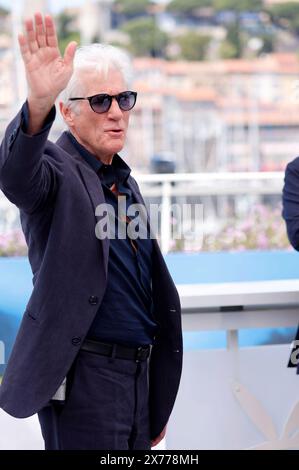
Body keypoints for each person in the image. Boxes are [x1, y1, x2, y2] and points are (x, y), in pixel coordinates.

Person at [0, 12, 183, 450]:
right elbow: (15, 176)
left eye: (125, 99)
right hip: (85, 381)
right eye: (101, 102)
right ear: (68, 111)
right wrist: (36, 105)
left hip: (137, 380)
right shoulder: (55, 172)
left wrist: (152, 393)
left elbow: (142, 288)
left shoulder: (124, 182)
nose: (117, 112)